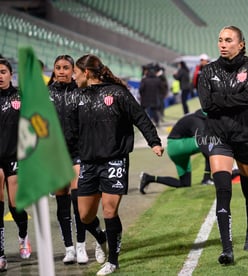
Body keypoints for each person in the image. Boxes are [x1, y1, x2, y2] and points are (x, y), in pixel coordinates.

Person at [73, 54, 163, 275]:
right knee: (84, 216)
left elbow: (140, 116)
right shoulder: (77, 97)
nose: (73, 77)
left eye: (75, 72)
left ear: (86, 73)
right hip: (88, 162)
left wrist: (154, 141)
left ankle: (112, 261)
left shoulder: (117, 93)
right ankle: (103, 238)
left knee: (109, 210)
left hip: (115, 159)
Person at [198, 26, 248, 265]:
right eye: (220, 40)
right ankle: (227, 249)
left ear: (241, 44)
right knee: (223, 191)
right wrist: (232, 100)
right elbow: (206, 104)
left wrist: (220, 100)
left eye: (228, 40)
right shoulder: (208, 71)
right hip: (219, 137)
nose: (223, 44)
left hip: (246, 135)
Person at [47, 55, 107, 265]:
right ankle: (69, 248)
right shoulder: (46, 94)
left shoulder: (80, 92)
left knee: (77, 200)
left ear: (73, 70)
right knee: (61, 202)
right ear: (53, 70)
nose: (62, 71)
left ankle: (82, 246)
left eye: (66, 68)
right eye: (58, 67)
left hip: (78, 154)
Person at [0, 58, 32, 271]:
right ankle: (1, 254)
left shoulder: (20, 96)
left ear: (11, 74)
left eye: (3, 71)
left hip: (15, 157)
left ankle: (23, 237)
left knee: (15, 204)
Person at [139, 109, 213, 194]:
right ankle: (207, 179)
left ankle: (149, 178)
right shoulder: (199, 122)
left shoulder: (198, 117)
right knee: (210, 143)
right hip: (178, 145)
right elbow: (205, 147)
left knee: (184, 184)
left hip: (173, 147)